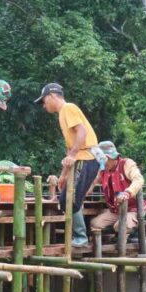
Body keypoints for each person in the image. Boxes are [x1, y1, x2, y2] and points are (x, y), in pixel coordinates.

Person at [35, 83, 105, 247]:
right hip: (81, 158)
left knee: (70, 199)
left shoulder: (68, 108)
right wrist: (64, 174)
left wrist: (73, 155)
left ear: (52, 96)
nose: (44, 106)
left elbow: (82, 132)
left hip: (86, 157)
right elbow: (70, 148)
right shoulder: (62, 115)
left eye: (44, 101)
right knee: (68, 198)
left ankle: (80, 238)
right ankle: (79, 236)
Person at [90, 141, 146, 234]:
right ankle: (116, 234)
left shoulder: (126, 164)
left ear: (109, 157)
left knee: (121, 226)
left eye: (102, 159)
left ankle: (134, 232)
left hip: (132, 209)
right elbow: (93, 183)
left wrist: (127, 192)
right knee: (95, 224)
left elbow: (138, 179)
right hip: (115, 210)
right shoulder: (103, 169)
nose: (100, 161)